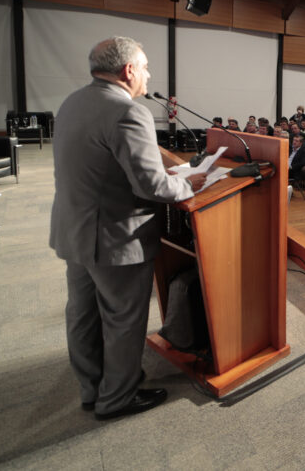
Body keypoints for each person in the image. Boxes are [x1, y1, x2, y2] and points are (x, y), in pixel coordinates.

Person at [50, 37, 207, 420]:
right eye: (146, 66)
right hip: (116, 238)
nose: (149, 74)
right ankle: (117, 398)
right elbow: (150, 186)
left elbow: (102, 167)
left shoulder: (73, 102)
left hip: (74, 230)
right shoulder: (127, 111)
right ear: (129, 70)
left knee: (83, 313)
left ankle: (91, 389)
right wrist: (189, 183)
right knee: (123, 319)